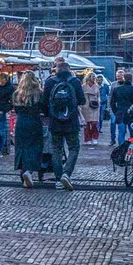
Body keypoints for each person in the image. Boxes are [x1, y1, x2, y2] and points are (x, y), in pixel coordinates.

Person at [43, 57, 85, 191]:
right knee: (74, 148)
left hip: (55, 122)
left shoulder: (50, 82)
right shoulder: (75, 81)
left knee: (56, 149)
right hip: (71, 121)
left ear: (56, 70)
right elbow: (83, 100)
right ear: (69, 70)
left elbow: (44, 102)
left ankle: (58, 179)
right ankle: (67, 174)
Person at [14, 72, 46, 189]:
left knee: (21, 148)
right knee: (35, 147)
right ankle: (29, 171)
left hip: (21, 122)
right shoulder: (39, 93)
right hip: (34, 122)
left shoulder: (17, 94)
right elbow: (44, 108)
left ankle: (23, 173)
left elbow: (16, 110)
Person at [111, 71, 133, 146]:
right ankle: (132, 148)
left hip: (120, 112)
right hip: (132, 114)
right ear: (131, 79)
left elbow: (112, 103)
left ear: (123, 78)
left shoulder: (117, 89)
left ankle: (121, 148)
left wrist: (116, 111)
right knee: (132, 133)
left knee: (121, 132)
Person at [82, 73, 102, 145]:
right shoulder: (83, 86)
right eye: (93, 77)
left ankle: (94, 137)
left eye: (94, 77)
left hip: (95, 106)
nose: (94, 78)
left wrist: (99, 101)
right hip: (86, 106)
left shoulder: (96, 86)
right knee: (87, 124)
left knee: (94, 123)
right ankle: (87, 138)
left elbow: (98, 95)